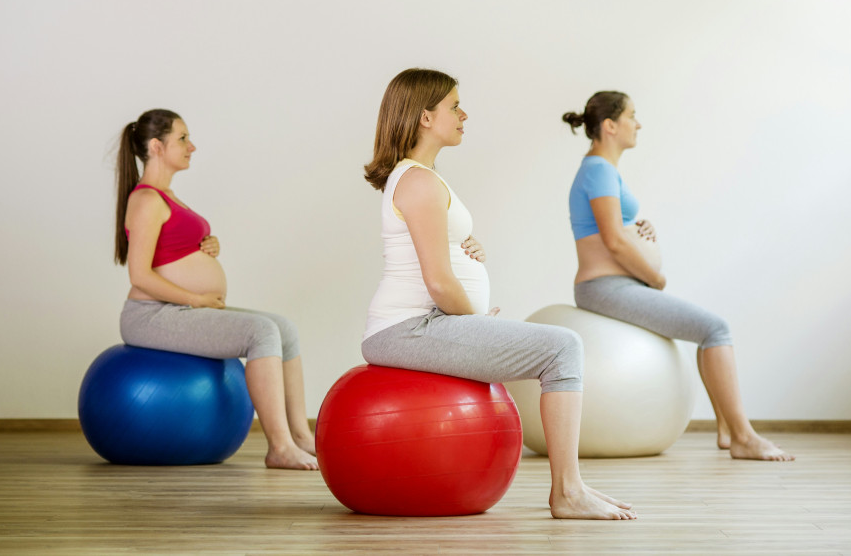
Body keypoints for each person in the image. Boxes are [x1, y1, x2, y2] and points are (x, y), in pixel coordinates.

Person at [362, 69, 637, 520]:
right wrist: (473, 318)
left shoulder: (422, 178)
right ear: (425, 117)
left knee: (560, 347)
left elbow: (438, 260)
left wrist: (467, 251)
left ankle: (572, 488)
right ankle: (568, 492)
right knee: (562, 347)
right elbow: (438, 283)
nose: (464, 115)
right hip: (410, 328)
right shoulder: (418, 182)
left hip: (421, 323)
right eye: (454, 106)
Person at [563, 91, 794, 462]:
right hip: (604, 286)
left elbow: (618, 230)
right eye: (632, 116)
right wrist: (655, 277)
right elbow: (614, 242)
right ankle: (743, 436)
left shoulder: (599, 169)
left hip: (614, 284)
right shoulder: (599, 170)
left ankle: (727, 431)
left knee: (709, 330)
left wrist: (639, 230)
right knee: (715, 329)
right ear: (610, 126)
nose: (638, 124)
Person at [113, 109, 318, 471]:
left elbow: (173, 249)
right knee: (260, 332)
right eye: (182, 138)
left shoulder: (168, 196)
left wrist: (207, 247)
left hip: (179, 309)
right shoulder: (146, 200)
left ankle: (301, 436)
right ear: (156, 147)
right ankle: (280, 447)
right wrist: (196, 299)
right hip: (151, 315)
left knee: (283, 329)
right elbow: (140, 276)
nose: (191, 146)